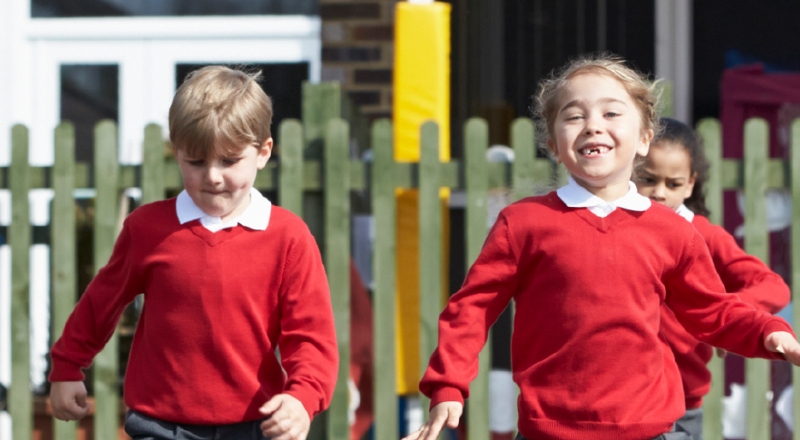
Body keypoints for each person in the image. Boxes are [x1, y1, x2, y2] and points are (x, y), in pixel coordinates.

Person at [402, 53, 800, 440]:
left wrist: (768, 331)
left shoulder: (674, 232)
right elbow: (470, 309)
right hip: (548, 432)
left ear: (644, 138)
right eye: (574, 116)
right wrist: (448, 384)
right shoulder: (522, 223)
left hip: (649, 431)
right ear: (554, 144)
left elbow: (712, 310)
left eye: (611, 113)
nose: (593, 125)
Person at [47, 65, 339, 440]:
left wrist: (302, 397)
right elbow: (101, 302)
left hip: (254, 425)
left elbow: (311, 335)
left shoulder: (289, 237)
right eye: (196, 161)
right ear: (176, 153)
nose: (213, 176)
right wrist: (68, 366)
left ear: (263, 152)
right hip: (159, 424)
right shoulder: (147, 229)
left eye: (230, 160)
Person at [635, 117, 791, 439]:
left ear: (690, 184)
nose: (659, 193)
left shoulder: (702, 234)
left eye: (673, 184)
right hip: (626, 400)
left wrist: (726, 320)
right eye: (648, 179)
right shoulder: (615, 229)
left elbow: (772, 286)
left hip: (683, 400)